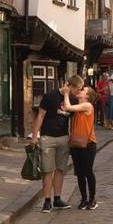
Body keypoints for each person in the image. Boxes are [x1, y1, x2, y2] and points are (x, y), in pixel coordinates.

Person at [35, 77, 72, 211]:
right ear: (68, 85)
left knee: (60, 170)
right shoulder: (50, 96)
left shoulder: (72, 99)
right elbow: (40, 115)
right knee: (47, 170)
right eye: (75, 89)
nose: (76, 91)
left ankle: (57, 199)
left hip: (64, 138)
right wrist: (35, 136)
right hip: (47, 138)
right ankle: (47, 201)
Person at [66, 77, 98, 210]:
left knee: (87, 171)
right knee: (79, 172)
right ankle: (83, 199)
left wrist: (66, 92)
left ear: (88, 96)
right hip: (76, 143)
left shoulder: (87, 105)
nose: (81, 89)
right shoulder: (78, 106)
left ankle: (92, 199)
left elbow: (68, 107)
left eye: (84, 90)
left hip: (88, 143)